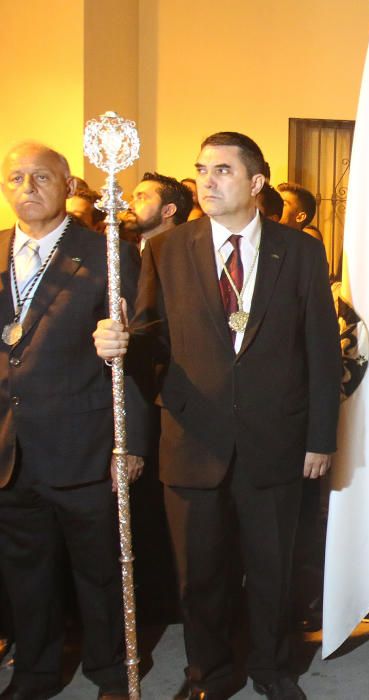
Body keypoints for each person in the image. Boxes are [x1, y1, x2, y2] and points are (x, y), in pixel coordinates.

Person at [93, 132, 341, 700]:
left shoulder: (298, 250)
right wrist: (121, 341)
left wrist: (319, 438)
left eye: (223, 170)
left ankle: (273, 669)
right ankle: (207, 674)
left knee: (272, 570)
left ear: (256, 184)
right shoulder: (166, 249)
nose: (207, 180)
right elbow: (152, 340)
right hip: (193, 441)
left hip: (276, 441)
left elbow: (322, 354)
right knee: (199, 575)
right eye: (202, 169)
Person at [0, 141, 147, 699]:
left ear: (67, 185)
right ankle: (35, 672)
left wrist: (130, 441)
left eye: (41, 177)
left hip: (84, 443)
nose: (28, 187)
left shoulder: (105, 252)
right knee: (25, 574)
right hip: (11, 449)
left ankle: (109, 669)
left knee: (100, 571)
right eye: (16, 177)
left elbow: (137, 356)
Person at [124, 171, 194, 246]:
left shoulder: (189, 255)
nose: (129, 206)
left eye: (141, 198)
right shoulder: (125, 251)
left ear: (168, 210)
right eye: (132, 198)